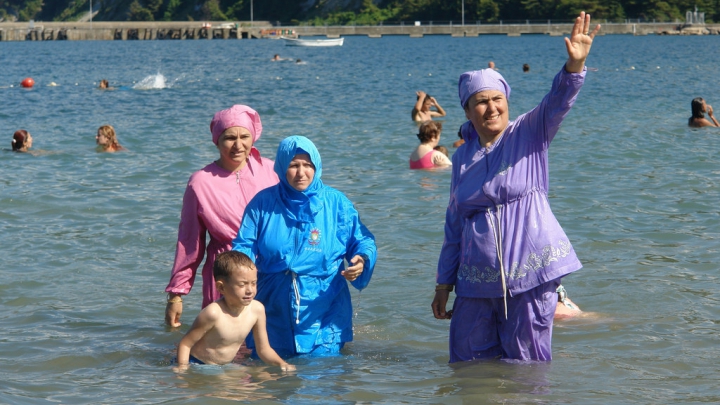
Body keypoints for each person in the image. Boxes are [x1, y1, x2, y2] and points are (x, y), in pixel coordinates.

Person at [431, 12, 601, 362]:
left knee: (526, 366)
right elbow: (454, 224)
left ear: (507, 101)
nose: (491, 107)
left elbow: (558, 101)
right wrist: (443, 284)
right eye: (480, 101)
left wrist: (574, 67)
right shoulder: (463, 157)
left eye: (497, 99)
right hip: (476, 279)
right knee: (466, 361)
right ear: (467, 110)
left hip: (529, 271)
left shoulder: (529, 132)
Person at [232, 135, 377, 357]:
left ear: (316, 165)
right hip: (272, 303)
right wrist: (238, 282)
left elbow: (362, 240)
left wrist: (361, 259)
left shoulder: (336, 203)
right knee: (273, 379)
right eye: (293, 165)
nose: (301, 173)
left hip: (325, 305)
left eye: (307, 165)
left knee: (323, 374)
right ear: (281, 166)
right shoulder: (262, 203)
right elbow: (243, 246)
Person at [165, 105, 279, 327]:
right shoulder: (200, 182)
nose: (238, 145)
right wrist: (176, 294)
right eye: (229, 138)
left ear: (253, 137)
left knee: (270, 348)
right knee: (224, 352)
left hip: (270, 272)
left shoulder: (272, 171)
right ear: (216, 140)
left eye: (244, 136)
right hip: (225, 275)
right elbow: (189, 242)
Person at [175, 251, 295, 370]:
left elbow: (263, 349)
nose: (250, 290)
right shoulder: (213, 313)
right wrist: (182, 371)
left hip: (225, 366)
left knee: (258, 383)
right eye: (242, 285)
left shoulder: (257, 310)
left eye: (253, 283)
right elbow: (185, 344)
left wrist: (282, 364)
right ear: (221, 287)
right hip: (198, 364)